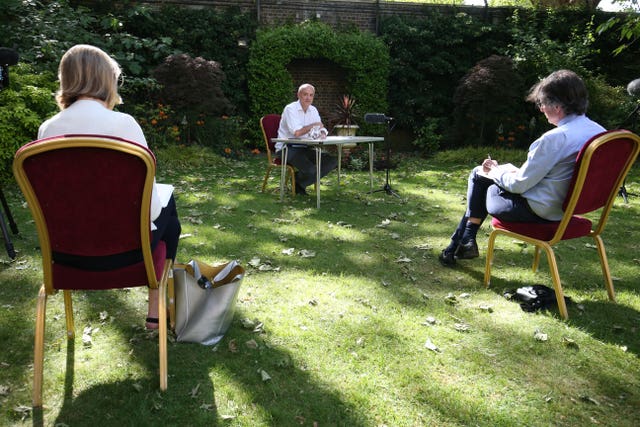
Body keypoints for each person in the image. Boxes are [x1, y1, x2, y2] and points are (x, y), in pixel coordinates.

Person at [37, 44, 181, 329]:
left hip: (66, 255)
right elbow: (150, 210)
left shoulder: (48, 130)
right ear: (105, 80)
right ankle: (156, 308)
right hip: (128, 252)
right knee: (169, 212)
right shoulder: (124, 125)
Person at [439, 69, 606, 267]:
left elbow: (519, 185)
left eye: (542, 103)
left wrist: (496, 171)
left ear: (558, 106)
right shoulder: (599, 132)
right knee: (489, 175)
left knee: (480, 175)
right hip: (568, 208)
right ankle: (462, 242)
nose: (541, 109)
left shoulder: (555, 138)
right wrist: (504, 171)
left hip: (540, 212)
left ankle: (463, 240)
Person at [277, 83, 338, 195]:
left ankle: (298, 182)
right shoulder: (290, 109)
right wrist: (313, 125)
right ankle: (299, 183)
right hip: (287, 148)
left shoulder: (313, 110)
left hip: (305, 147)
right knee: (311, 170)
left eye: (311, 95)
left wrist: (323, 133)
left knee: (331, 161)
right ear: (298, 95)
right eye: (305, 94)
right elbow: (297, 132)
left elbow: (321, 127)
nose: (308, 98)